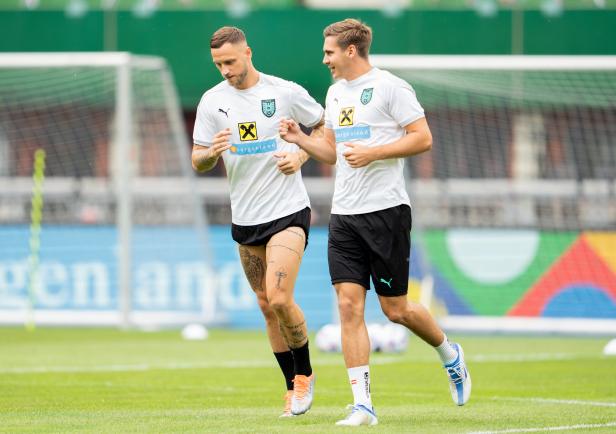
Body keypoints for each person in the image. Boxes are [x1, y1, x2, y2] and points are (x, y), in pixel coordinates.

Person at [279, 18, 471, 426]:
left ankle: (449, 353)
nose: (324, 58)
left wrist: (375, 153)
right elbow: (330, 152)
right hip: (344, 216)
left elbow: (423, 137)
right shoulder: (333, 93)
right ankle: (363, 405)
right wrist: (301, 140)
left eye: (329, 51)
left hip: (386, 213)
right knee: (349, 306)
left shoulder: (391, 87)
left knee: (395, 310)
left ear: (351, 50)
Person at [192, 26, 323, 417]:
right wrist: (209, 155)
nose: (225, 71)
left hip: (288, 212)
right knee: (267, 306)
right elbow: (197, 158)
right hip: (245, 219)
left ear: (248, 52)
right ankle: (290, 388)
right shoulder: (212, 102)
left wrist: (300, 155)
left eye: (230, 62)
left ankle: (305, 376)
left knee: (281, 297)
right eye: (218, 64)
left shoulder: (284, 92)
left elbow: (324, 124)